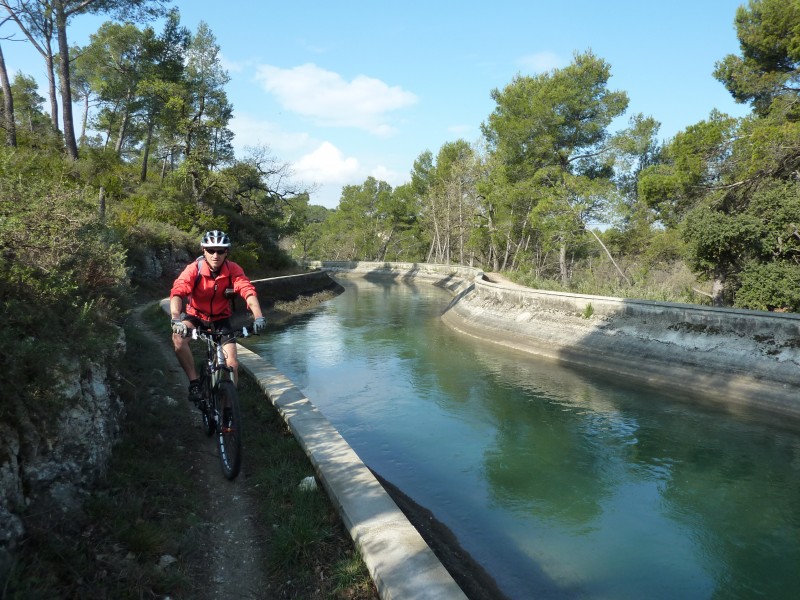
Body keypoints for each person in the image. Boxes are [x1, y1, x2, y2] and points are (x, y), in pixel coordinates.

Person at [169, 230, 267, 403]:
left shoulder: (233, 270)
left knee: (232, 366)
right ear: (203, 250)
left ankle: (229, 409)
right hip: (196, 316)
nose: (216, 255)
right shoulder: (194, 269)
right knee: (178, 339)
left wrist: (258, 317)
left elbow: (247, 291)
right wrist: (176, 319)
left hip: (221, 319)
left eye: (220, 251)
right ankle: (194, 383)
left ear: (226, 252)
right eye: (211, 250)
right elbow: (177, 292)